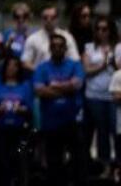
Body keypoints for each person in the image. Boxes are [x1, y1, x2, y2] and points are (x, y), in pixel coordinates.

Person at [34, 33, 85, 186]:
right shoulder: (42, 68)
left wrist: (53, 86)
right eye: (54, 46)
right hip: (51, 122)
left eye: (60, 45)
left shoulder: (75, 65)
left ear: (65, 48)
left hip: (72, 120)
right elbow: (39, 90)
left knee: (78, 159)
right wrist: (66, 88)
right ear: (50, 48)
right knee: (53, 161)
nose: (57, 48)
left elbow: (77, 84)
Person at [0, 56, 32, 186]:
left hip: (20, 131)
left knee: (21, 160)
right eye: (9, 65)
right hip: (1, 130)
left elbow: (29, 107)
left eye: (15, 65)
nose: (11, 68)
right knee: (2, 161)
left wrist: (22, 109)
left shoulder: (25, 85)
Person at [83, 14, 119, 172]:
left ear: (110, 30)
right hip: (95, 96)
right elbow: (86, 70)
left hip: (113, 96)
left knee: (116, 131)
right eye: (98, 29)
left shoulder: (118, 47)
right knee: (102, 131)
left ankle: (117, 164)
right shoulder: (89, 47)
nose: (101, 32)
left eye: (104, 29)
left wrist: (112, 63)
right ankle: (105, 166)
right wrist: (104, 64)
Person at [22, 4, 80, 71]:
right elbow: (25, 62)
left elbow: (75, 60)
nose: (49, 20)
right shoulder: (33, 38)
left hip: (64, 77)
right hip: (40, 78)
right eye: (45, 17)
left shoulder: (67, 37)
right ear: (41, 19)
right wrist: (42, 73)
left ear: (57, 19)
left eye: (53, 17)